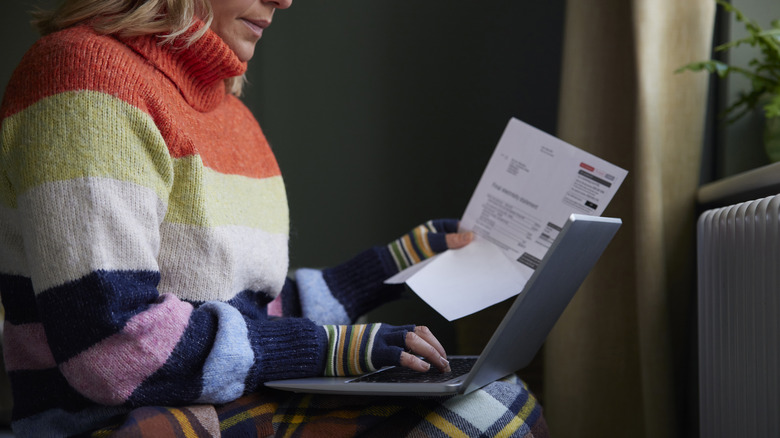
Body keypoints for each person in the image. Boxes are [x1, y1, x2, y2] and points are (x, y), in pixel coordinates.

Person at [0, 0, 550, 436]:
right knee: (489, 414)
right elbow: (115, 348)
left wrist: (398, 262)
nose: (283, 0)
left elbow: (252, 313)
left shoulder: (232, 117)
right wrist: (332, 350)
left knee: (494, 396)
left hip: (222, 399)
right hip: (112, 420)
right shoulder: (81, 76)